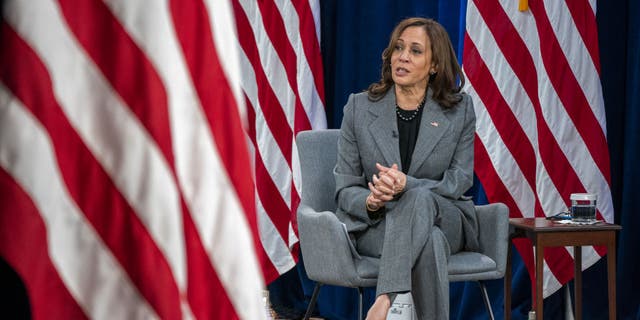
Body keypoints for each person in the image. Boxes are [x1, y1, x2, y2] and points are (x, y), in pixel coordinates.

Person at [333, 17, 479, 320]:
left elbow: (460, 179)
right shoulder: (359, 108)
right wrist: (370, 202)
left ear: (435, 64)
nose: (402, 57)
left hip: (446, 216)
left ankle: (384, 299)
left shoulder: (459, 110)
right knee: (431, 242)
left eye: (415, 51)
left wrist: (407, 185)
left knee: (420, 199)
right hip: (379, 225)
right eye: (398, 48)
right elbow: (345, 189)